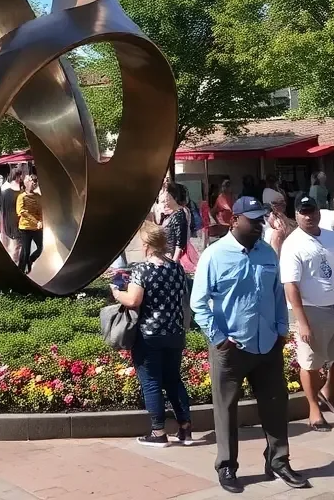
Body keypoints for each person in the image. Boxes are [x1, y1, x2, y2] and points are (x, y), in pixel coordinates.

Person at [191, 196, 309, 493]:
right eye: (252, 220)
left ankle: (279, 461)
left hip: (267, 345)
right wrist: (218, 338)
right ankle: (227, 466)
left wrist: (282, 330)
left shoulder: (268, 253)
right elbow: (198, 303)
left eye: (261, 220)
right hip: (231, 349)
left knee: (275, 405)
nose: (259, 225)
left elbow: (277, 294)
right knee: (226, 409)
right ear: (234, 221)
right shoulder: (214, 256)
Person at [280, 195, 334, 432]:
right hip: (310, 309)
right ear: (296, 215)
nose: (309, 216)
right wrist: (302, 322)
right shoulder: (293, 244)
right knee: (311, 363)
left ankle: (329, 390)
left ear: (319, 212)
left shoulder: (331, 236)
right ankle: (314, 409)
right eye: (303, 212)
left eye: (312, 211)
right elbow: (290, 285)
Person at [110, 223, 193, 447]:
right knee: (173, 379)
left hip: (150, 334)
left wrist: (117, 291)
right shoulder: (176, 268)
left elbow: (133, 300)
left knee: (152, 382)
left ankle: (158, 432)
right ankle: (185, 428)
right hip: (174, 332)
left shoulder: (143, 270)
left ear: (146, 245)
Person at [16, 174, 44, 274]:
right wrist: (36, 221)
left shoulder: (38, 197)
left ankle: (30, 261)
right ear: (26, 183)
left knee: (40, 248)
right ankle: (21, 271)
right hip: (25, 227)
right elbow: (21, 212)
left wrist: (41, 221)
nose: (34, 183)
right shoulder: (21, 197)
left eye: (35, 181)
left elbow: (41, 210)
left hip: (37, 228)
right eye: (32, 181)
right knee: (25, 251)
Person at [161, 183, 190, 264]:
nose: (165, 201)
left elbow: (180, 243)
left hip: (171, 257)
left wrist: (174, 263)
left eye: (167, 198)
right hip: (167, 256)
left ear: (175, 198)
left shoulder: (179, 215)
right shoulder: (173, 213)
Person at [0, 169, 24, 264]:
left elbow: (3, 211)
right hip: (17, 224)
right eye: (21, 176)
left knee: (11, 246)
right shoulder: (21, 193)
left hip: (7, 223)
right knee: (17, 246)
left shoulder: (5, 192)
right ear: (18, 177)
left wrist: (1, 225)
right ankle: (15, 265)